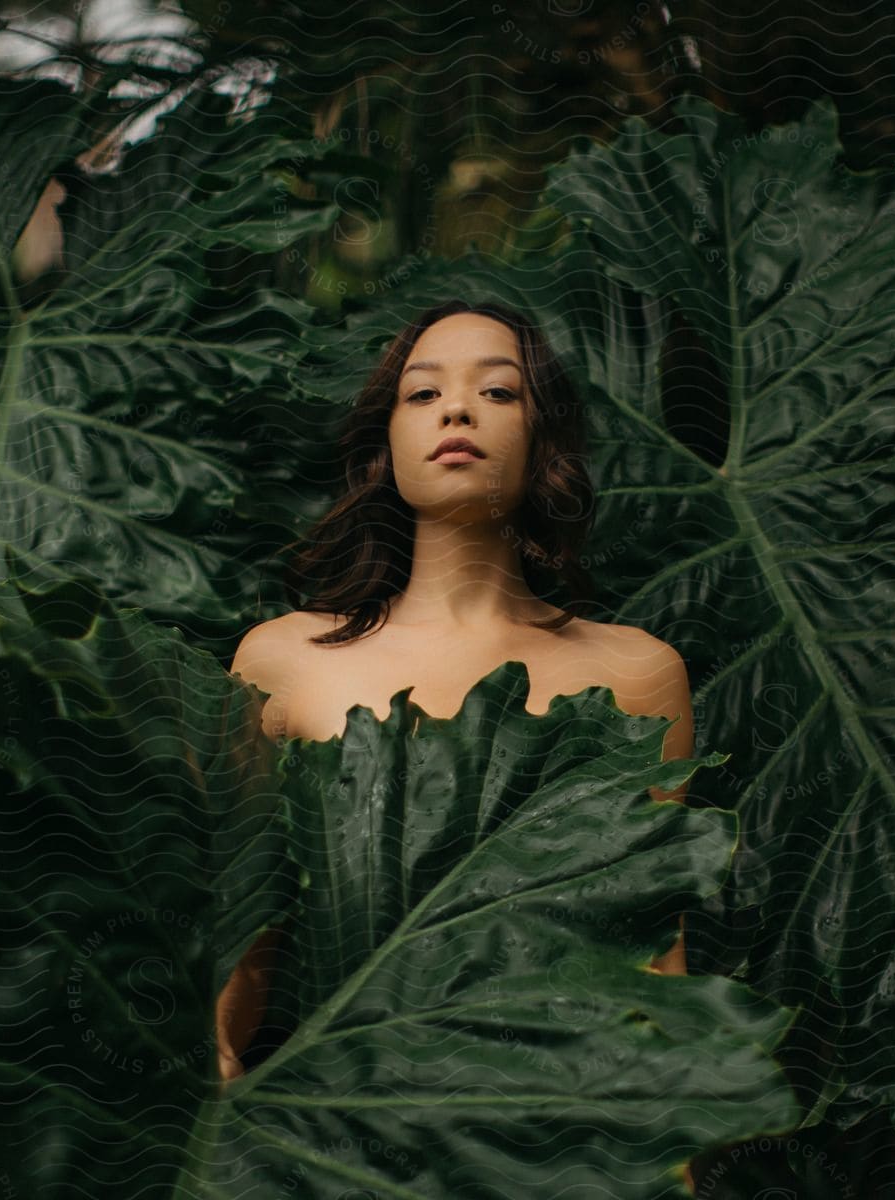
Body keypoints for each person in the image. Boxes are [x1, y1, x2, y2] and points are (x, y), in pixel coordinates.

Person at [218, 298, 697, 1090]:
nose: (460, 410)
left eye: (500, 392)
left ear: (543, 439)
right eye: (424, 393)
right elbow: (246, 925)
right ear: (389, 441)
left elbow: (651, 941)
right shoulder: (283, 658)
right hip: (337, 1115)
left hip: (557, 1117)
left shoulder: (638, 672)